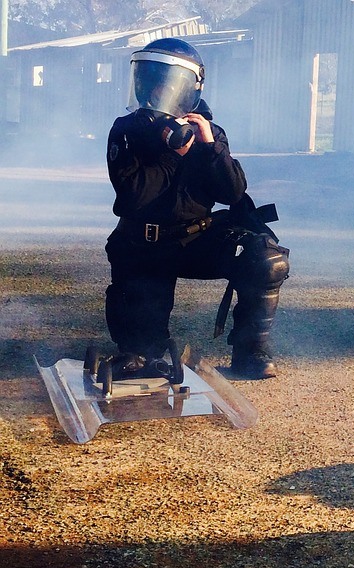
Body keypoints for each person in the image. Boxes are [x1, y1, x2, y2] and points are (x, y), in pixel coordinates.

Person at [105, 38, 289, 379]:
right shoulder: (127, 132)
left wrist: (208, 148)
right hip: (143, 246)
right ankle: (140, 348)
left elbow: (232, 192)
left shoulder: (209, 133)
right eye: (150, 81)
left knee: (266, 259)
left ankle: (251, 351)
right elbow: (133, 197)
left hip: (195, 240)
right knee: (143, 359)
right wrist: (173, 155)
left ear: (190, 87)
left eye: (168, 82)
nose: (158, 91)